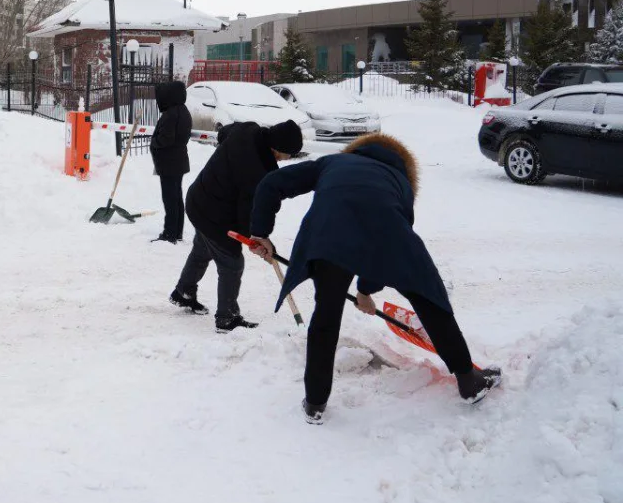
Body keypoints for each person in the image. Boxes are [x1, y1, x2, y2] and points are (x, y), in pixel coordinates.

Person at [246, 133, 501, 424]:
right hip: (381, 234)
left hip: (328, 238)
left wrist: (260, 232)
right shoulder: (400, 183)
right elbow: (384, 243)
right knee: (428, 296)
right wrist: (366, 289)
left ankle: (315, 403)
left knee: (326, 316)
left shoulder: (334, 162)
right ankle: (469, 380)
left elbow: (271, 183)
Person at [169, 119, 303, 332]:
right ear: (279, 150)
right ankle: (227, 318)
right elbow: (248, 212)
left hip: (199, 198)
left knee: (202, 250)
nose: (289, 159)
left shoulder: (248, 129)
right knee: (232, 263)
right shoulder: (255, 172)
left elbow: (224, 134)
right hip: (213, 213)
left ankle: (183, 292)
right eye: (291, 154)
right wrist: (255, 238)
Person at [149, 80, 192, 244]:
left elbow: (166, 138)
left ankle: (170, 233)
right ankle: (177, 231)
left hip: (169, 162)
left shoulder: (171, 114)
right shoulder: (183, 111)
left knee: (170, 199)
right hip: (178, 160)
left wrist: (154, 143)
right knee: (176, 197)